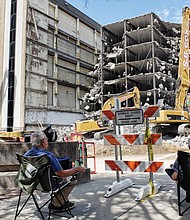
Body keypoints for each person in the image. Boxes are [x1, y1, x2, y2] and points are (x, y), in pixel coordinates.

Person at [24, 130, 85, 211]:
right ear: (42, 142)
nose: (47, 140)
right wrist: (77, 168)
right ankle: (57, 203)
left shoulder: (27, 154)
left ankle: (62, 200)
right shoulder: (48, 156)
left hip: (31, 183)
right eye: (46, 139)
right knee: (72, 178)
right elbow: (60, 173)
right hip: (47, 185)